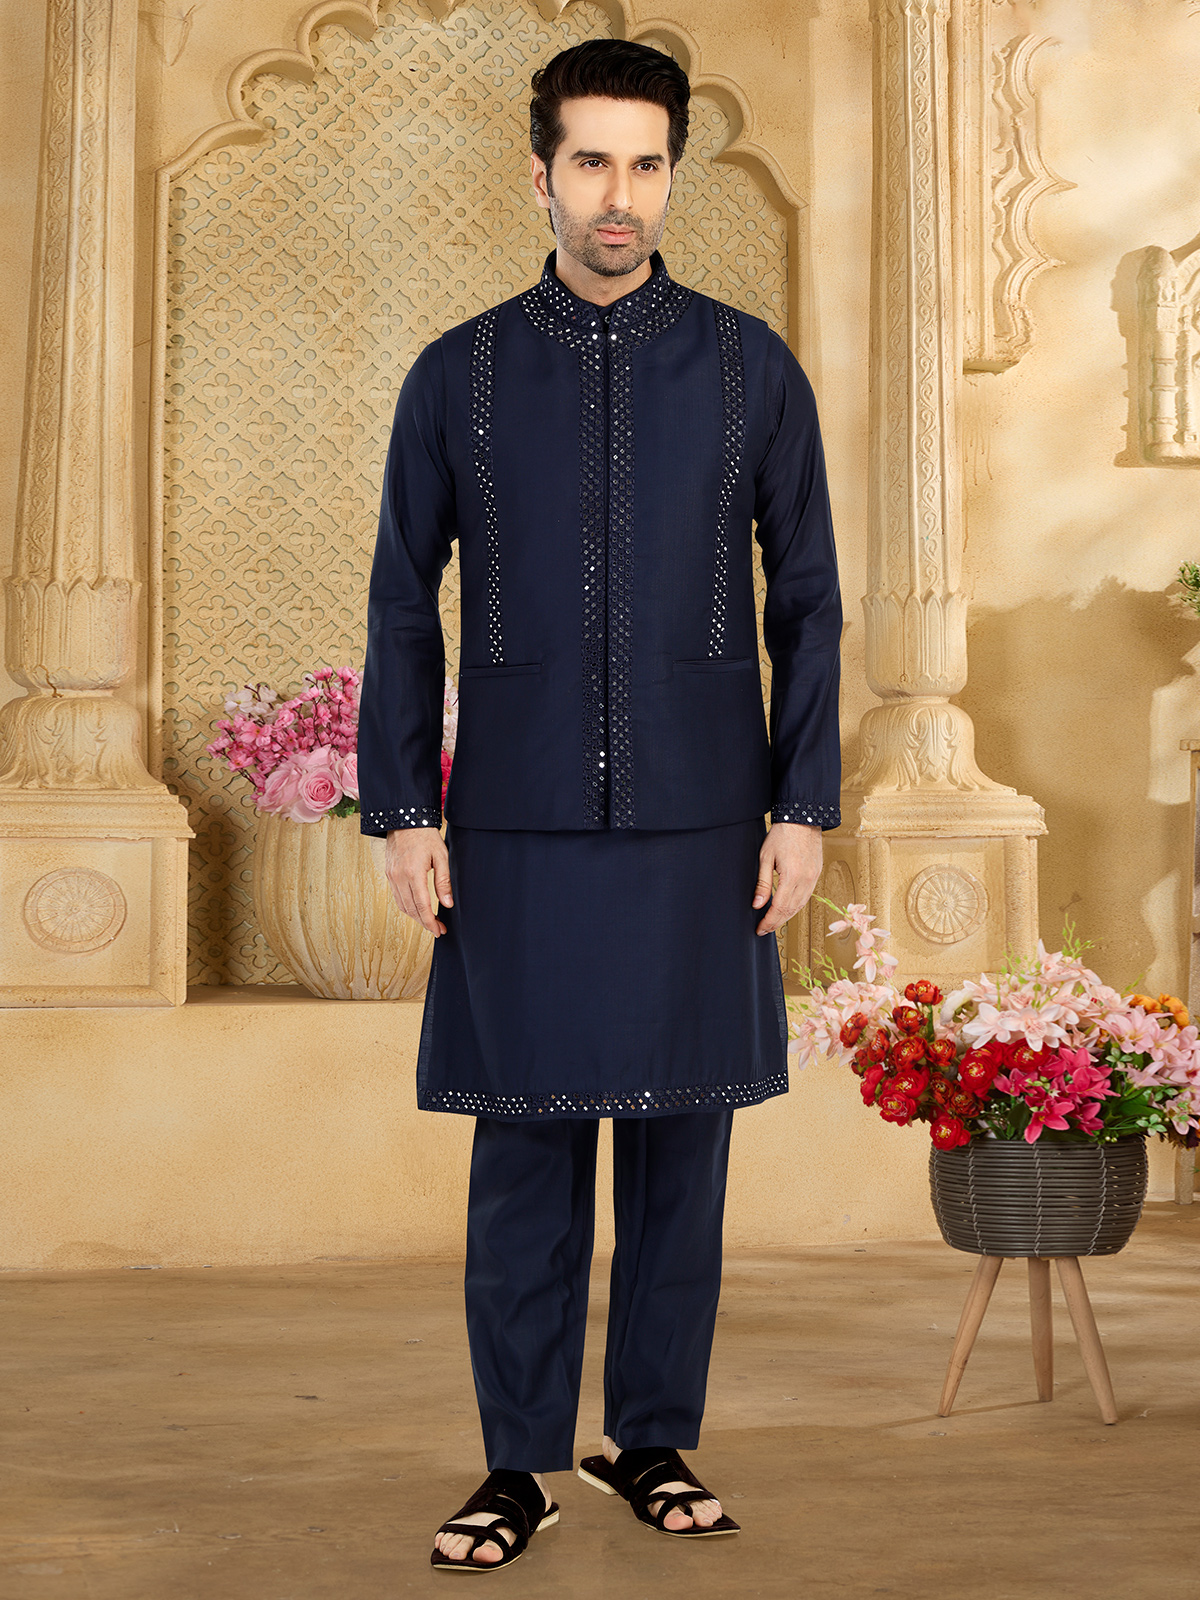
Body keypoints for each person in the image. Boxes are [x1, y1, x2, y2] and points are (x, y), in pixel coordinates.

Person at [358, 37, 842, 1574]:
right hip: (518, 825)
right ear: (542, 175)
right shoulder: (460, 374)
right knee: (526, 1150)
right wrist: (402, 808)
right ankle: (516, 1465)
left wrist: (803, 804)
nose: (617, 194)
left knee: (683, 1148)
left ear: (672, 174)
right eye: (590, 163)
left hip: (707, 823)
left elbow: (808, 604)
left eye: (644, 163)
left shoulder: (753, 370)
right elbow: (400, 605)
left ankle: (650, 1439)